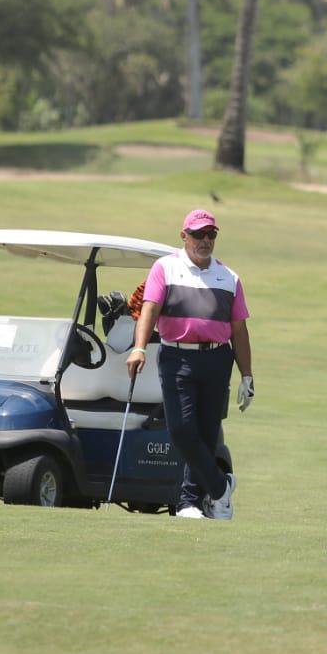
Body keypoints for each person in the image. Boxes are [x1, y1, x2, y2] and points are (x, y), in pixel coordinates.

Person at [127, 209, 254, 520]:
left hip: (217, 358)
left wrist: (247, 376)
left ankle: (190, 503)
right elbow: (149, 311)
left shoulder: (229, 278)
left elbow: (239, 330)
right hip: (177, 356)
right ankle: (220, 487)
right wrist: (139, 348)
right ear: (184, 236)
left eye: (211, 234)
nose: (205, 240)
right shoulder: (165, 268)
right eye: (198, 234)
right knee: (182, 430)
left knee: (208, 434)